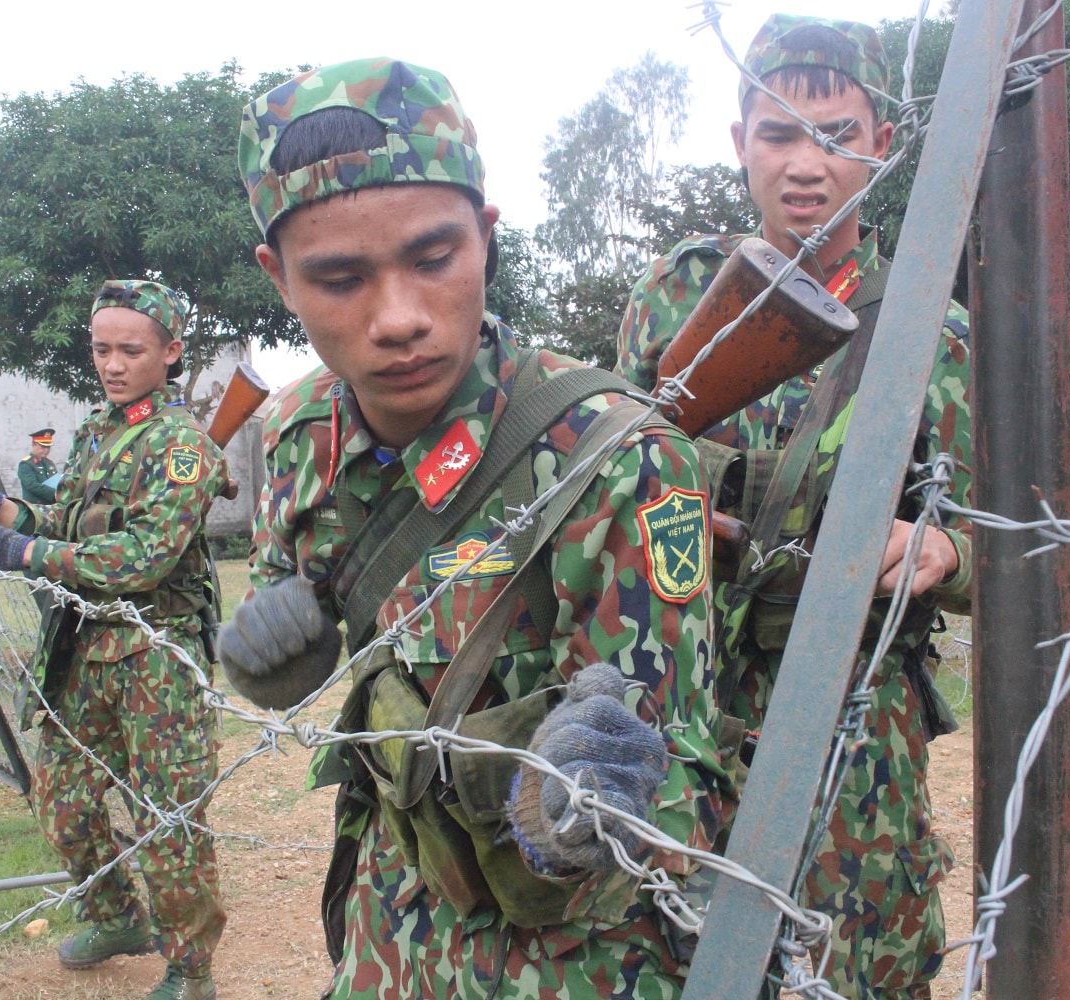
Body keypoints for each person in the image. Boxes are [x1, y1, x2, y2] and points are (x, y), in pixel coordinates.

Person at [218, 57, 729, 998]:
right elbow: (308, 624)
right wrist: (270, 659)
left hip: (571, 961)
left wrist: (589, 794)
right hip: (387, 923)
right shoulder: (300, 439)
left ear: (486, 237)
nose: (398, 319)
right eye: (339, 279)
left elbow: (681, 771)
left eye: (432, 258)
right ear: (278, 278)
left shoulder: (613, 456)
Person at [614, 15, 973, 998]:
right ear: (739, 144)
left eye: (838, 133)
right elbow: (622, 475)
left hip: (856, 714)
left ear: (883, 147)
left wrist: (942, 548)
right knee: (674, 943)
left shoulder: (930, 322)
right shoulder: (679, 293)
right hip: (690, 694)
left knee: (857, 960)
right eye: (778, 133)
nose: (806, 163)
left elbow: (1004, 540)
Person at [0, 279, 227, 1000]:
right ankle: (116, 915)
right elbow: (66, 529)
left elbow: (147, 556)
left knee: (168, 817)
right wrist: (2, 509)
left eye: (131, 349)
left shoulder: (183, 445)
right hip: (86, 650)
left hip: (158, 656)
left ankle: (191, 969)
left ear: (171, 352)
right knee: (61, 802)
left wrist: (22, 553)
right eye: (102, 348)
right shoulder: (99, 431)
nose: (113, 363)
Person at [18, 428, 60, 503]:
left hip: (52, 506)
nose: (46, 450)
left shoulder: (49, 463)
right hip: (35, 507)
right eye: (43, 447)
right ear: (34, 445)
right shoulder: (26, 464)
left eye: (48, 447)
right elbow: (32, 486)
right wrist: (56, 493)